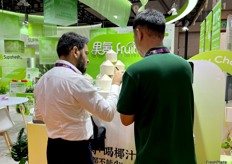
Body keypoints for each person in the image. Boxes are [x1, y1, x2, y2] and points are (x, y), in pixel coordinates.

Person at [117, 9, 196, 164]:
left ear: (139, 33)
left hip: (152, 158)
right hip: (184, 157)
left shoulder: (135, 71)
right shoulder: (185, 66)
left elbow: (126, 119)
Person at [33, 32, 123, 164]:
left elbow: (38, 116)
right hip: (77, 151)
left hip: (53, 148)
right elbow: (108, 113)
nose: (87, 59)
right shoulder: (76, 81)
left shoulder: (43, 80)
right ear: (75, 51)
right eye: (85, 53)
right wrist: (115, 84)